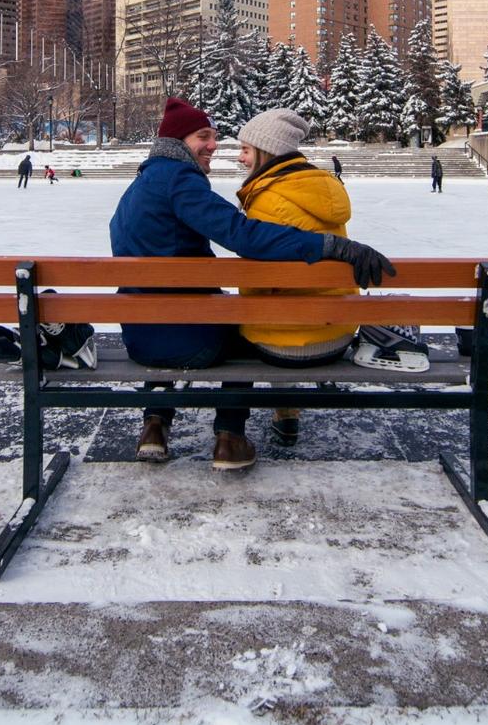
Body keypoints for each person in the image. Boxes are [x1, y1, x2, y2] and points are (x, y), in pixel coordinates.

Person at [111, 98, 394, 472]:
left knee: (187, 312)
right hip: (185, 339)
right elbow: (242, 234)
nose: (214, 145)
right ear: (178, 141)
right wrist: (329, 245)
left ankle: (155, 425)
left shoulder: (141, 185)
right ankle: (230, 437)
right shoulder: (179, 181)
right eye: (203, 136)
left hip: (139, 337)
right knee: (245, 326)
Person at [234, 108, 359, 449]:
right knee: (290, 313)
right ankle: (287, 411)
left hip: (282, 347)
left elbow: (254, 287)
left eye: (246, 150)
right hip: (337, 334)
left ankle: (272, 416)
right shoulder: (326, 189)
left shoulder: (265, 201)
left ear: (266, 151)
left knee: (259, 320)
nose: (240, 158)